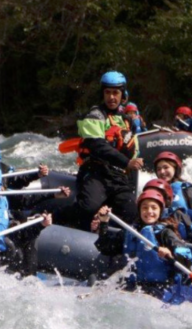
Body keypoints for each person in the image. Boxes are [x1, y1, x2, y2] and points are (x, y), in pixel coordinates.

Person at [55, 71, 143, 232]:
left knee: (131, 210)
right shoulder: (94, 115)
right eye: (107, 92)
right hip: (95, 172)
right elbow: (97, 146)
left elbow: (133, 151)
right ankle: (50, 219)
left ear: (123, 95)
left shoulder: (127, 120)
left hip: (118, 177)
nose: (111, 97)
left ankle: (110, 237)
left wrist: (131, 164)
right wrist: (126, 162)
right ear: (102, 94)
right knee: (89, 207)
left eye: (115, 93)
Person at [93, 191, 192, 304]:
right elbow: (105, 247)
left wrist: (171, 254)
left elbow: (186, 258)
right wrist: (104, 223)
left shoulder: (165, 233)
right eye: (145, 207)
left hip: (161, 288)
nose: (149, 211)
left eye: (154, 208)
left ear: (160, 211)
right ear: (139, 210)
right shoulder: (130, 232)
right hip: (133, 286)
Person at [153, 151, 192, 241]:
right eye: (158, 169)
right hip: (161, 236)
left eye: (166, 167)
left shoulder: (187, 189)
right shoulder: (154, 190)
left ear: (175, 168)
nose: (162, 172)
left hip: (185, 238)